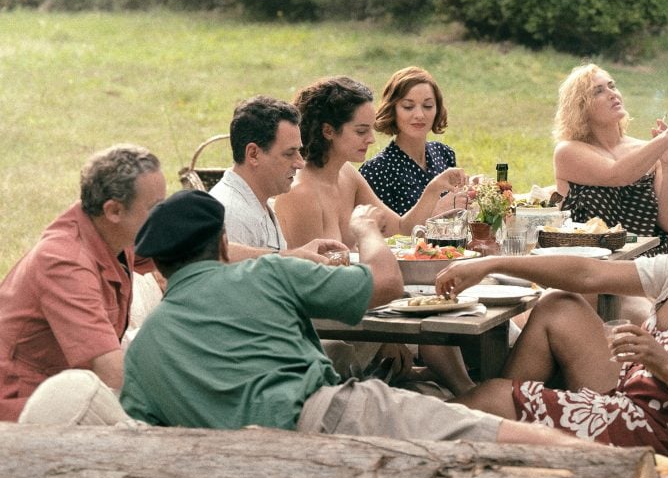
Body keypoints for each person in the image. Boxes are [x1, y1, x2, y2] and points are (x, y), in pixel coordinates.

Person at [119, 190, 590, 451]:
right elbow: (385, 284)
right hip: (325, 417)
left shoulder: (142, 351)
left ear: (158, 266)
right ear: (222, 244)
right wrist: (365, 230)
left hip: (243, 464)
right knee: (502, 438)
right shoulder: (263, 273)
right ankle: (626, 468)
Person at [436, 169, 668, 478]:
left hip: (667, 441)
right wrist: (490, 263)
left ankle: (430, 449)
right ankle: (506, 431)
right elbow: (588, 274)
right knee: (559, 305)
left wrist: (664, 364)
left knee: (492, 399)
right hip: (627, 401)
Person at [274, 76, 474, 395]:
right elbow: (311, 294)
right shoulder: (301, 193)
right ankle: (473, 397)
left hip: (364, 313)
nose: (371, 139)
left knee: (446, 317)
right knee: (441, 330)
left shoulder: (347, 175)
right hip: (332, 333)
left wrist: (434, 191)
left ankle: (472, 392)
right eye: (361, 130)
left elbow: (399, 228)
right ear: (328, 131)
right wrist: (385, 337)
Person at [0, 144, 165, 421]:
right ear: (113, 210)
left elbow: (195, 251)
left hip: (70, 390)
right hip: (24, 411)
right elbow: (113, 373)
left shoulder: (114, 231)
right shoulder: (65, 262)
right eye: (155, 208)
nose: (164, 217)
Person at [554, 64, 668, 256]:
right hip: (592, 262)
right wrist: (665, 138)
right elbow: (616, 175)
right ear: (581, 107)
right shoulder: (568, 151)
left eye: (612, 86)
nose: (612, 94)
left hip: (648, 260)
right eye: (598, 91)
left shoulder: (646, 151)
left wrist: (666, 164)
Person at [208, 95, 346, 264]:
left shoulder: (259, 201)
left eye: (299, 152)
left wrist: (299, 255)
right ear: (253, 154)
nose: (300, 163)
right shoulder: (232, 215)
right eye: (289, 153)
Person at [359, 66, 467, 216]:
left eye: (428, 106)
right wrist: (436, 212)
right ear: (393, 109)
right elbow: (375, 234)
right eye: (408, 107)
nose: (419, 115)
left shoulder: (444, 154)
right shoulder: (376, 171)